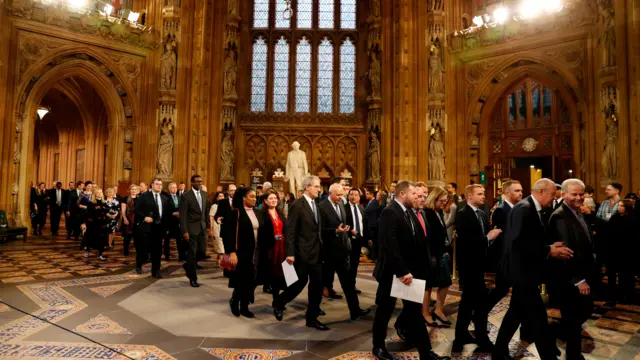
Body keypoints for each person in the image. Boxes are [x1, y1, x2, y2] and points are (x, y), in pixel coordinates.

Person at [492, 178, 574, 360]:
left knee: (515, 314)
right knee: (538, 319)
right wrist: (548, 250)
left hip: (526, 273)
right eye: (553, 195)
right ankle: (548, 354)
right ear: (541, 192)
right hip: (522, 273)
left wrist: (549, 245)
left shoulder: (532, 207)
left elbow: (531, 239)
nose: (554, 199)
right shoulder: (524, 209)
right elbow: (518, 242)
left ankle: (498, 352)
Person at [372, 181, 449, 360]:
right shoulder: (390, 212)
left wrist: (419, 271)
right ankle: (378, 346)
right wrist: (401, 271)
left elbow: (418, 243)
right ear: (402, 194)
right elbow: (389, 245)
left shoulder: (409, 212)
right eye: (413, 194)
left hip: (409, 273)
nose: (417, 197)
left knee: (415, 312)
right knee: (384, 311)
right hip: (392, 273)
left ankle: (425, 352)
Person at [546, 179, 596, 360]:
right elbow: (565, 251)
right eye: (574, 194)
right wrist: (578, 279)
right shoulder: (560, 215)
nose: (579, 197)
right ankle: (573, 355)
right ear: (563, 194)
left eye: (581, 194)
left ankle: (553, 334)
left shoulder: (578, 212)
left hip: (584, 272)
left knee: (583, 312)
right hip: (569, 278)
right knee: (574, 318)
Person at [272, 176, 327, 331]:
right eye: (316, 186)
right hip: (302, 253)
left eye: (319, 186)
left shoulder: (316, 204)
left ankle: (312, 318)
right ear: (307, 187)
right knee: (298, 284)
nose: (319, 189)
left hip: (317, 254)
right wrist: (290, 253)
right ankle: (279, 302)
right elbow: (290, 231)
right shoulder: (297, 205)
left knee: (317, 286)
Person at [453, 184, 502, 352]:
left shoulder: (481, 213)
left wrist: (490, 237)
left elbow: (483, 236)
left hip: (480, 264)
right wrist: (488, 237)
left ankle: (460, 334)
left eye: (483, 193)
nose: (483, 196)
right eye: (479, 194)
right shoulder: (462, 214)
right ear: (469, 197)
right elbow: (468, 242)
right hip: (469, 265)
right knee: (479, 303)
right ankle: (482, 338)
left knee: (468, 302)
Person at [319, 184, 370, 321]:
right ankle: (313, 311)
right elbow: (320, 230)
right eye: (338, 195)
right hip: (328, 252)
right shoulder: (322, 207)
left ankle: (355, 310)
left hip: (342, 251)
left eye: (342, 195)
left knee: (348, 284)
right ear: (330, 193)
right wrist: (335, 231)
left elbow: (342, 223)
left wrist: (348, 230)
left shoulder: (341, 204)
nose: (340, 198)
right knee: (321, 282)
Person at [225, 187, 264, 318]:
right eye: (252, 196)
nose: (255, 199)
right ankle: (235, 302)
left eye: (255, 196)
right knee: (242, 279)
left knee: (251, 280)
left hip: (255, 251)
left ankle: (245, 306)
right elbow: (229, 235)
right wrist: (232, 252)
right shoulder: (236, 213)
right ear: (244, 198)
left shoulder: (257, 212)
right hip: (241, 252)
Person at [486, 180, 523, 317]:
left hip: (514, 259)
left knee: (514, 292)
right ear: (507, 193)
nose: (520, 193)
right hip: (504, 258)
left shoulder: (516, 208)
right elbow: (503, 239)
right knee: (501, 290)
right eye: (517, 191)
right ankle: (481, 313)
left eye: (521, 190)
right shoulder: (501, 210)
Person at [422, 187, 453, 327]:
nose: (443, 203)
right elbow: (428, 236)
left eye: (445, 201)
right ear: (434, 199)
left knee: (445, 282)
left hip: (441, 252)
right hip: (431, 254)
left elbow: (442, 232)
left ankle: (439, 310)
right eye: (441, 201)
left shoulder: (438, 211)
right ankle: (425, 313)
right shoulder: (426, 213)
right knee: (427, 285)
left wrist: (445, 249)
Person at [134, 178, 170, 278]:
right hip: (146, 228)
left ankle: (156, 271)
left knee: (157, 251)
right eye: (157, 184)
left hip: (159, 228)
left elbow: (166, 215)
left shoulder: (164, 198)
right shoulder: (144, 196)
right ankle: (139, 265)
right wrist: (144, 218)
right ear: (152, 185)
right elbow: (136, 210)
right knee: (143, 249)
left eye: (161, 184)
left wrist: (166, 228)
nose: (159, 186)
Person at [179, 175, 210, 287]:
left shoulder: (204, 194)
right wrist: (184, 231)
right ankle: (193, 278)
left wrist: (208, 225)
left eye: (201, 182)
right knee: (192, 253)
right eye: (197, 182)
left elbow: (206, 211)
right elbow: (182, 215)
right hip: (191, 228)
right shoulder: (186, 196)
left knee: (202, 251)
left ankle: (188, 265)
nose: (200, 183)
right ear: (192, 182)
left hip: (202, 227)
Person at [606, 198, 637, 305]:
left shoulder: (633, 219)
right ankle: (612, 296)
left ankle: (626, 295)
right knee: (612, 274)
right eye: (618, 205)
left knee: (626, 275)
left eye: (622, 206)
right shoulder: (615, 217)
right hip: (614, 250)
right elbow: (609, 232)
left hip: (627, 251)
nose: (619, 207)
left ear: (627, 207)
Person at [260, 189, 288, 306]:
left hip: (283, 248)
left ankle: (283, 299)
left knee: (288, 275)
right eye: (271, 198)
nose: (273, 200)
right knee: (274, 275)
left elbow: (286, 229)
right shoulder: (262, 214)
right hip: (271, 248)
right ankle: (276, 299)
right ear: (265, 201)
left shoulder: (280, 213)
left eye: (275, 198)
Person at [344, 188, 367, 293]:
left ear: (359, 197)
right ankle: (348, 286)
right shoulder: (344, 208)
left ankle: (352, 285)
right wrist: (349, 231)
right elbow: (340, 223)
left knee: (355, 264)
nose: (353, 197)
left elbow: (363, 224)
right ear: (348, 196)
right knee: (347, 265)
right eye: (351, 194)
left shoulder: (361, 209)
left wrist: (367, 239)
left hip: (358, 241)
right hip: (348, 241)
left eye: (356, 195)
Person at [80, 188, 109, 261]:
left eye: (101, 192)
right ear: (95, 194)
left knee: (101, 240)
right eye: (98, 192)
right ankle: (87, 251)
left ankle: (100, 254)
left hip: (102, 224)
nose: (99, 193)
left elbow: (106, 211)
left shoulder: (104, 202)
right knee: (90, 238)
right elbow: (88, 214)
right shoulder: (91, 203)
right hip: (93, 224)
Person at [166, 182, 185, 261]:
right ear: (169, 189)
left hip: (178, 223)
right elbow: (164, 211)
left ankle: (181, 256)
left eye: (175, 187)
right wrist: (173, 213)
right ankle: (167, 256)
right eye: (173, 187)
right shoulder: (166, 198)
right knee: (167, 240)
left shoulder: (179, 197)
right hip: (169, 222)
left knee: (180, 240)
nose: (175, 189)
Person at [120, 184, 139, 256]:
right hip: (127, 219)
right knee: (127, 237)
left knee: (137, 237)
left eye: (135, 189)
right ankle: (125, 251)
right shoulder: (125, 198)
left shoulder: (140, 198)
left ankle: (138, 251)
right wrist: (125, 219)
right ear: (129, 190)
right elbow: (123, 211)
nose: (134, 191)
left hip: (137, 220)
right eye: (132, 189)